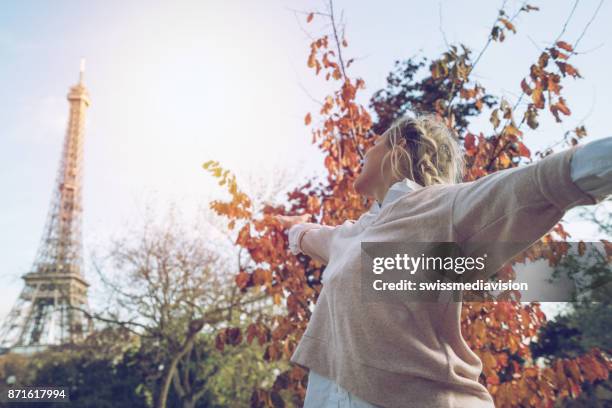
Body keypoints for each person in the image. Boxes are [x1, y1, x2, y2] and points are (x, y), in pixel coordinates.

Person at [276, 114, 612, 408]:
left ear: (398, 151)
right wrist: (292, 226)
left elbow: (538, 184)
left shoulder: (440, 209)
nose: (365, 151)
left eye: (375, 143)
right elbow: (308, 235)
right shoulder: (349, 236)